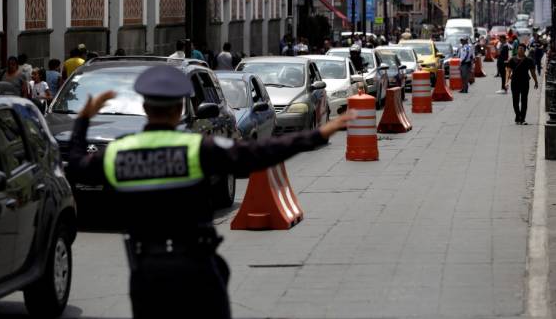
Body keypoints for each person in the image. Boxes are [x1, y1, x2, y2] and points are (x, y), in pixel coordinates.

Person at [67, 65, 353, 319]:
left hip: (147, 273)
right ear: (180, 108)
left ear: (145, 106)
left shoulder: (119, 152)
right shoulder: (197, 148)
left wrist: (83, 120)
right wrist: (317, 135)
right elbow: (259, 152)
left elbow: (78, 165)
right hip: (195, 269)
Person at [505, 43, 539, 125]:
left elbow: (533, 72)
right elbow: (508, 71)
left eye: (521, 49)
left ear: (524, 50)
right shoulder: (512, 60)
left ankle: (522, 118)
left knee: (524, 100)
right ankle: (518, 115)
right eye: (519, 48)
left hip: (525, 82)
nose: (520, 50)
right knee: (515, 101)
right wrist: (506, 82)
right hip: (514, 83)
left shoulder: (529, 60)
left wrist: (536, 81)